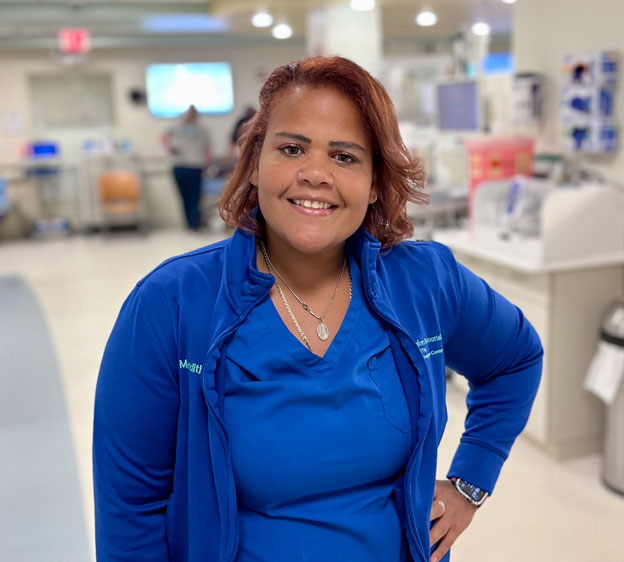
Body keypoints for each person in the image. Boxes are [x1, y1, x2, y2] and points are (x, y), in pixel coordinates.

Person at [93, 56, 543, 562]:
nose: (315, 174)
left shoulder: (424, 282)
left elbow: (517, 359)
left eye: (345, 157)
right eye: (292, 148)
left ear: (375, 181)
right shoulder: (171, 303)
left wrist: (471, 482)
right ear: (256, 161)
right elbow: (130, 509)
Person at [161, 104, 212, 231]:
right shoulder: (178, 126)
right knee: (191, 197)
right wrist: (170, 148)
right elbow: (163, 136)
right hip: (186, 165)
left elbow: (207, 149)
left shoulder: (200, 128)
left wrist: (169, 148)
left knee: (190, 198)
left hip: (189, 166)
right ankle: (192, 225)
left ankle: (192, 225)